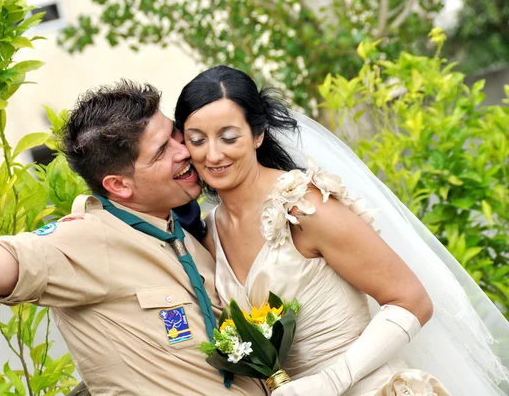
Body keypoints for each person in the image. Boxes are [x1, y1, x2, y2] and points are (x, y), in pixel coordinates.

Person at [0, 81, 267, 395]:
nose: (185, 150)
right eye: (162, 151)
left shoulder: (178, 228)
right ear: (118, 185)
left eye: (174, 134)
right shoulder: (85, 237)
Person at [174, 65, 509, 396]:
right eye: (197, 140)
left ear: (258, 134)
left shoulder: (304, 207)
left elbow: (412, 301)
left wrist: (332, 381)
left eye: (229, 137)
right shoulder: (212, 232)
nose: (213, 154)